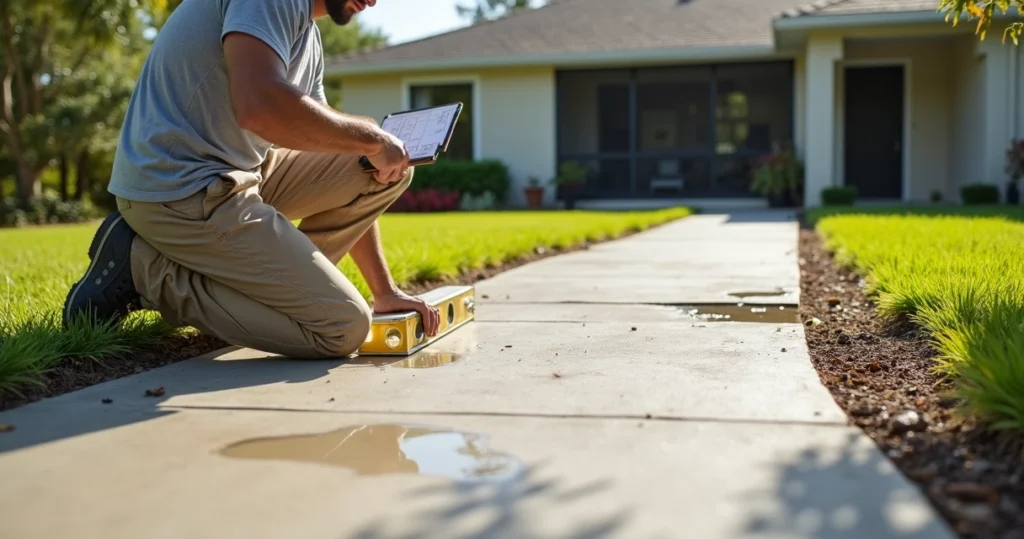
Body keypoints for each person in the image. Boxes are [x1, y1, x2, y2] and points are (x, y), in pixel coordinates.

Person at [62, 0, 441, 358]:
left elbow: (330, 144)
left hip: (238, 175)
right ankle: (145, 269)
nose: (374, 2)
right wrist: (374, 137)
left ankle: (258, 295)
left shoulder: (307, 33)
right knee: (341, 327)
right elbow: (258, 107)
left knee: (383, 171)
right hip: (179, 189)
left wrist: (384, 291)